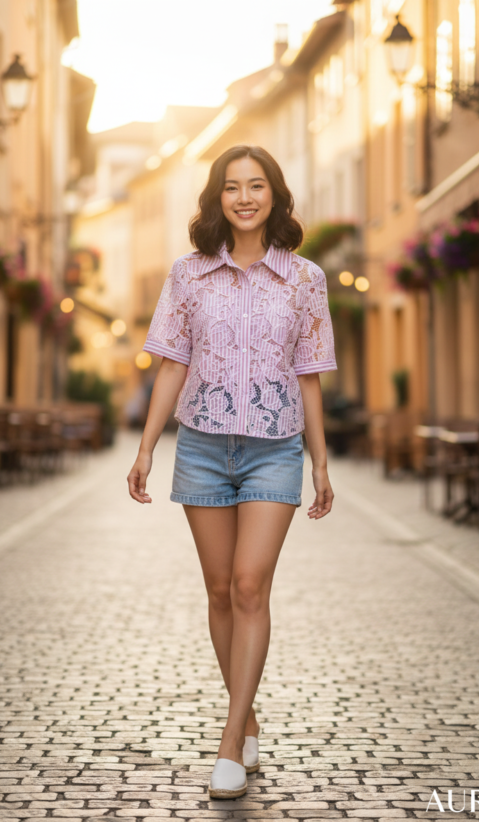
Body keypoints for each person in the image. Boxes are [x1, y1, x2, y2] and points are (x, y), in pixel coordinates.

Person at [127, 145, 337, 799]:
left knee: (251, 587)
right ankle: (247, 716)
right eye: (231, 188)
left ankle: (228, 744)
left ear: (275, 194)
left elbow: (309, 376)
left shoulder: (305, 279)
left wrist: (321, 460)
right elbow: (170, 364)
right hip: (203, 448)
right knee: (219, 591)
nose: (244, 198)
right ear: (217, 198)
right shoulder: (188, 276)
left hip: (274, 447)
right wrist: (146, 447)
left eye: (256, 186)